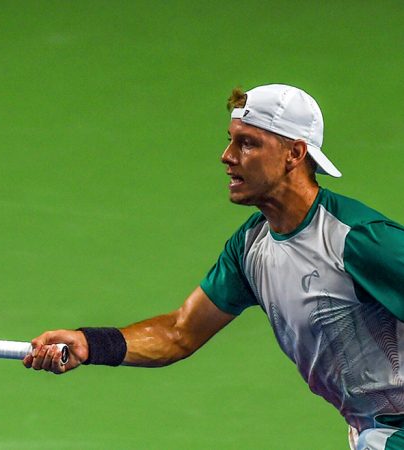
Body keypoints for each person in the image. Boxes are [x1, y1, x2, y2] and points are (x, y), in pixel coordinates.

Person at [23, 84, 404, 450]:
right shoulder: (251, 247)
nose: (227, 155)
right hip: (371, 428)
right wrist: (91, 344)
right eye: (231, 139)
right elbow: (179, 333)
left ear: (294, 154)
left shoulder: (359, 240)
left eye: (248, 143)